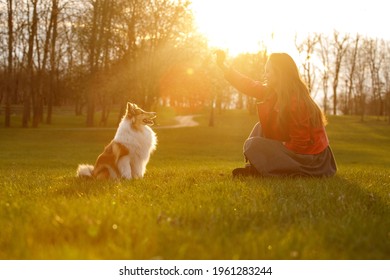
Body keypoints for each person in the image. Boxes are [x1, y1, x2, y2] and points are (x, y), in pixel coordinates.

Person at [215, 50, 337, 177]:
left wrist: (277, 145)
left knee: (253, 145)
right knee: (260, 127)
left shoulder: (297, 102)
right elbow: (248, 85)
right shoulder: (273, 91)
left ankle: (267, 170)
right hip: (299, 152)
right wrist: (223, 66)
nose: (265, 74)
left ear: (279, 74)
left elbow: (301, 144)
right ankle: (256, 168)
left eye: (268, 71)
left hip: (311, 160)